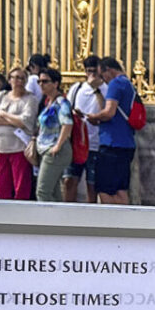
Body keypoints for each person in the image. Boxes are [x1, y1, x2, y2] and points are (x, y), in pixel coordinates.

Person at [85, 57, 139, 204]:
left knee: (105, 189)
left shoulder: (115, 83)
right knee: (121, 188)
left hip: (112, 143)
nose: (104, 80)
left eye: (103, 76)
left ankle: (112, 221)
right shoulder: (127, 83)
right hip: (126, 142)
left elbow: (109, 112)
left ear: (108, 70)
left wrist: (94, 116)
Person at [0, 66, 41, 200]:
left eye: (21, 78)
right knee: (0, 185)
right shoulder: (1, 96)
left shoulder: (30, 99)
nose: (18, 81)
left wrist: (3, 114)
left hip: (19, 148)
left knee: (21, 185)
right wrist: (13, 120)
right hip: (1, 147)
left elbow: (25, 121)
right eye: (14, 77)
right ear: (9, 80)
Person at [31, 66, 76, 202]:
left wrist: (58, 145)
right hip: (46, 148)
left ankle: (46, 220)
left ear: (55, 84)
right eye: (39, 81)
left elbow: (67, 124)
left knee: (42, 191)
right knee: (54, 191)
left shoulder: (61, 103)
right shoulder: (48, 102)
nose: (41, 85)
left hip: (55, 150)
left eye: (45, 81)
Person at [67, 57, 103, 202]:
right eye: (89, 71)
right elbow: (67, 109)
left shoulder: (106, 88)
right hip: (77, 141)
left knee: (92, 185)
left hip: (96, 143)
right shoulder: (77, 88)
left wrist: (96, 89)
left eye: (94, 71)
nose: (92, 75)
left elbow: (106, 110)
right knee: (69, 180)